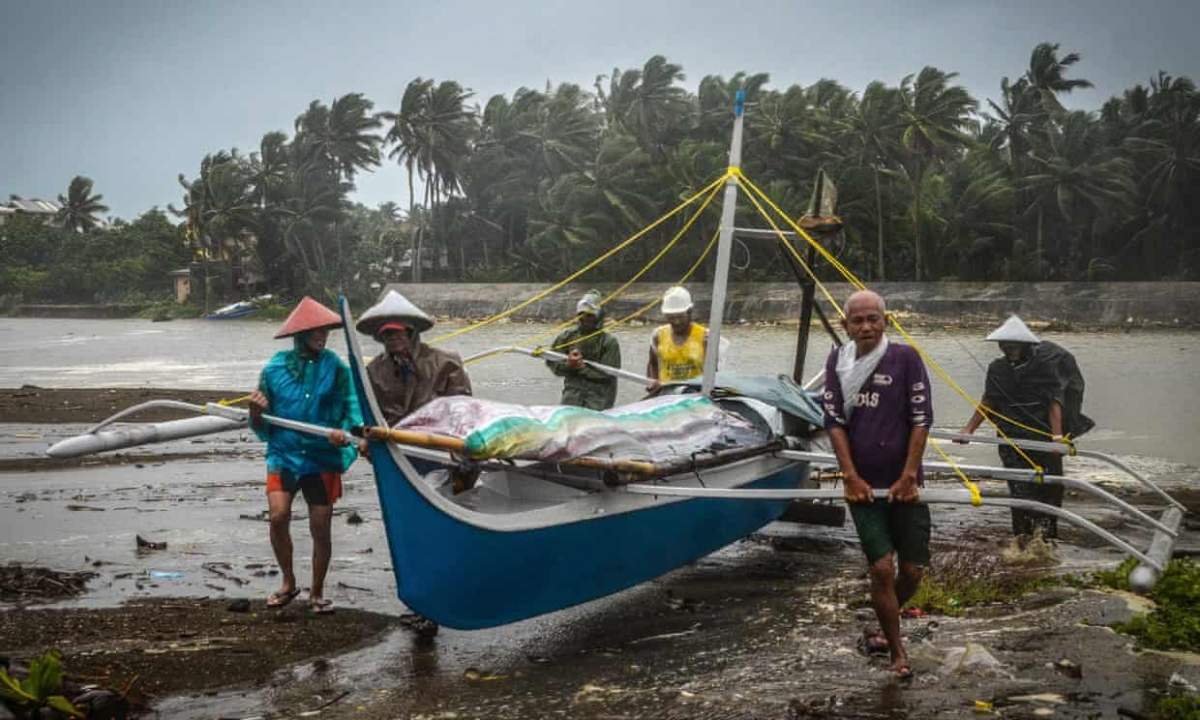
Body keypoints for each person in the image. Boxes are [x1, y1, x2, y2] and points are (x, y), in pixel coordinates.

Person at [821, 289, 933, 679]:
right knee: (882, 569)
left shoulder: (906, 359)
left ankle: (887, 616)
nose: (866, 326)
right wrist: (849, 476)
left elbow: (921, 419)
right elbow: (834, 422)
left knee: (913, 571)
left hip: (906, 484)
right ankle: (896, 650)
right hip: (863, 486)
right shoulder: (838, 360)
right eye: (858, 320)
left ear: (886, 321)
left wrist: (908, 475)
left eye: (873, 319)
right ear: (845, 326)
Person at [248, 297, 362, 615]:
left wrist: (345, 434)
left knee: (320, 526)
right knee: (278, 516)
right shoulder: (274, 369)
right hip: (283, 454)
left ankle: (317, 591)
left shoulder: (337, 369)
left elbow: (352, 411)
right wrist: (254, 411)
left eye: (325, 330)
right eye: (315, 330)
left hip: (322, 456)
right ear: (300, 333)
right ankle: (288, 582)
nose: (321, 335)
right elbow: (260, 422)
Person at [958, 315, 1093, 540]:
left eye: (1013, 346)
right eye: (1005, 345)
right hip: (1011, 440)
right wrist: (968, 430)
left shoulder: (1044, 367)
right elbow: (988, 402)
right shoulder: (997, 369)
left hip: (1042, 437)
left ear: (1026, 345)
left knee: (1050, 491)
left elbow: (1054, 402)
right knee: (1020, 492)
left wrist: (1057, 437)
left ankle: (1047, 540)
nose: (1009, 349)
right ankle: (1022, 539)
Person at [356, 290, 473, 427]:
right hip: (392, 435)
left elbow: (462, 408)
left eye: (398, 332)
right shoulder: (373, 370)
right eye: (387, 334)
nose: (393, 337)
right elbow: (370, 411)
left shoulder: (447, 362)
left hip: (437, 435)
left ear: (411, 333)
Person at [545, 290, 621, 410]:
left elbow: (609, 374)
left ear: (599, 316)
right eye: (581, 314)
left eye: (590, 315)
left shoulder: (609, 342)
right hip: (572, 398)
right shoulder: (566, 337)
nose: (585, 319)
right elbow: (553, 363)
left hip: (599, 401)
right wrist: (569, 365)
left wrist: (580, 367)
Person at [645, 286, 728, 391]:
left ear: (689, 312)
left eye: (680, 316)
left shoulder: (706, 338)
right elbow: (652, 363)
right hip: (667, 396)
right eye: (671, 317)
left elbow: (717, 375)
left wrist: (711, 353)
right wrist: (652, 382)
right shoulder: (658, 335)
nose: (676, 321)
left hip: (695, 396)